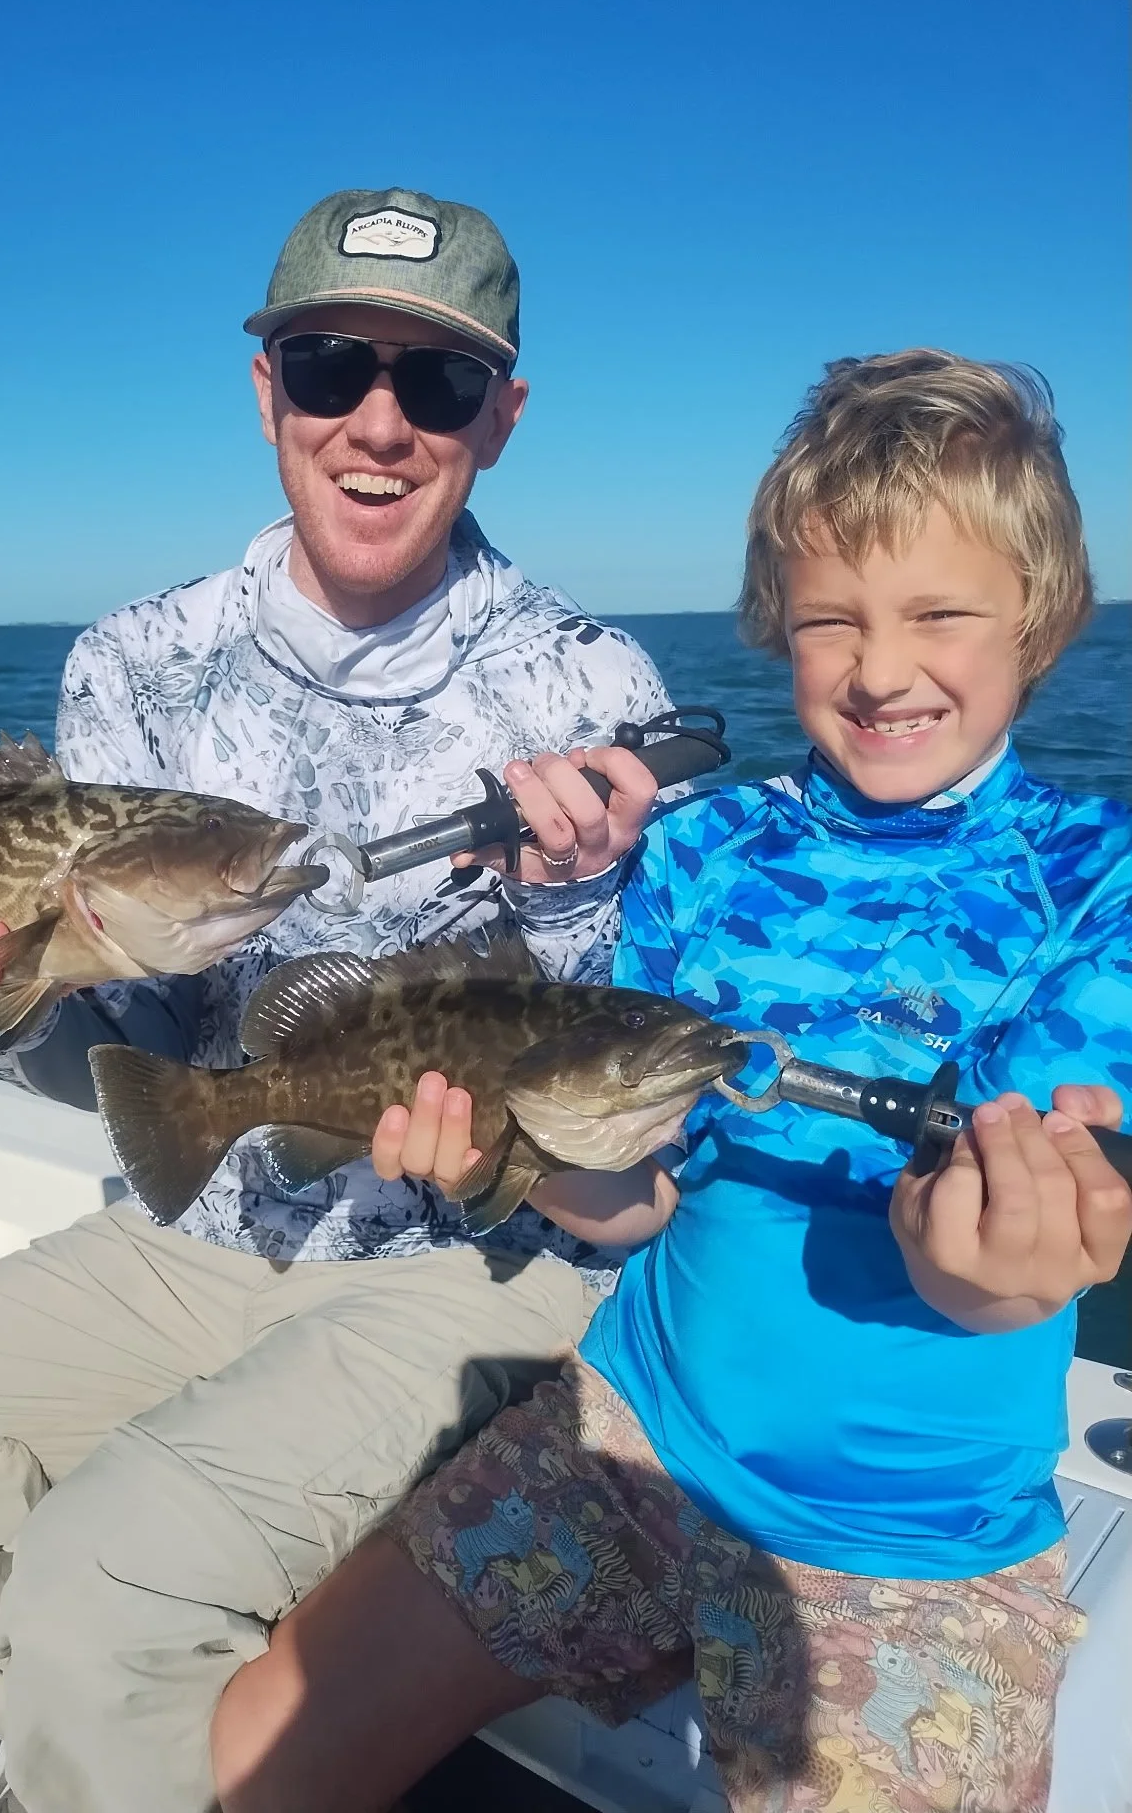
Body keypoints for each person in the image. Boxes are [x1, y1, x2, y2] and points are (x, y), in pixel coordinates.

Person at [0, 187, 680, 1813]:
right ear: (266, 392)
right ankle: (151, 1753)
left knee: (103, 1583)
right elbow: (132, 1065)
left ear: (500, 422)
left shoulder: (599, 696)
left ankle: (135, 1742)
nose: (378, 423)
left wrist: (571, 900)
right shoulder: (132, 664)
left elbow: (621, 1111)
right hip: (200, 1212)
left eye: (437, 385)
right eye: (329, 368)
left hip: (467, 1261)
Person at [210, 349, 1132, 1813]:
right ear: (778, 631)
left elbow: (998, 1272)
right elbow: (635, 1200)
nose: (882, 670)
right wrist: (519, 1158)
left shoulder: (1100, 887)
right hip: (629, 1434)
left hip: (913, 1546)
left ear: (1044, 613)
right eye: (832, 622)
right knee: (262, 1742)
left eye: (940, 614)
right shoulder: (704, 852)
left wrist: (1011, 1260)